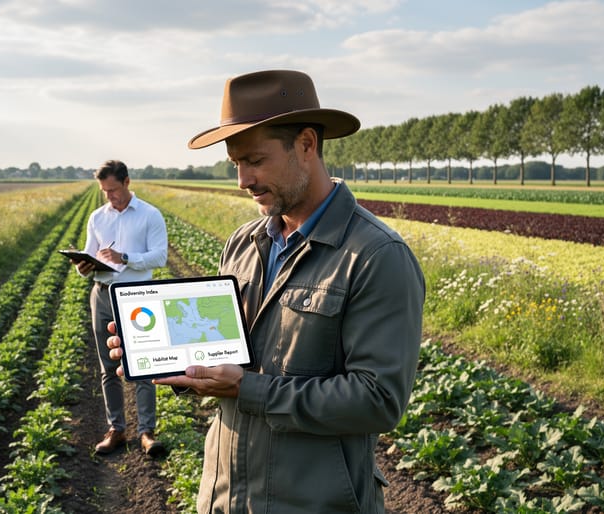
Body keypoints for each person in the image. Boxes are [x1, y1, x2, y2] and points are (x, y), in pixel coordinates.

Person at [107, 70, 425, 512]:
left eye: (255, 160)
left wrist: (250, 390)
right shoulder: (243, 243)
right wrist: (173, 361)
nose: (242, 179)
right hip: (225, 495)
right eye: (235, 163)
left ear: (307, 145)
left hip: (315, 503)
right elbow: (230, 358)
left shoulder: (374, 255)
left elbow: (378, 400)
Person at [75, 159, 168, 457]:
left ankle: (146, 432)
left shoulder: (150, 215)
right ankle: (116, 429)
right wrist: (83, 266)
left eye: (113, 190)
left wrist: (124, 257)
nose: (109, 196)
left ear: (127, 183)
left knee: (142, 364)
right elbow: (90, 255)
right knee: (107, 367)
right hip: (101, 293)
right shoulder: (97, 218)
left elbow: (159, 257)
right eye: (104, 191)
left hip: (137, 295)